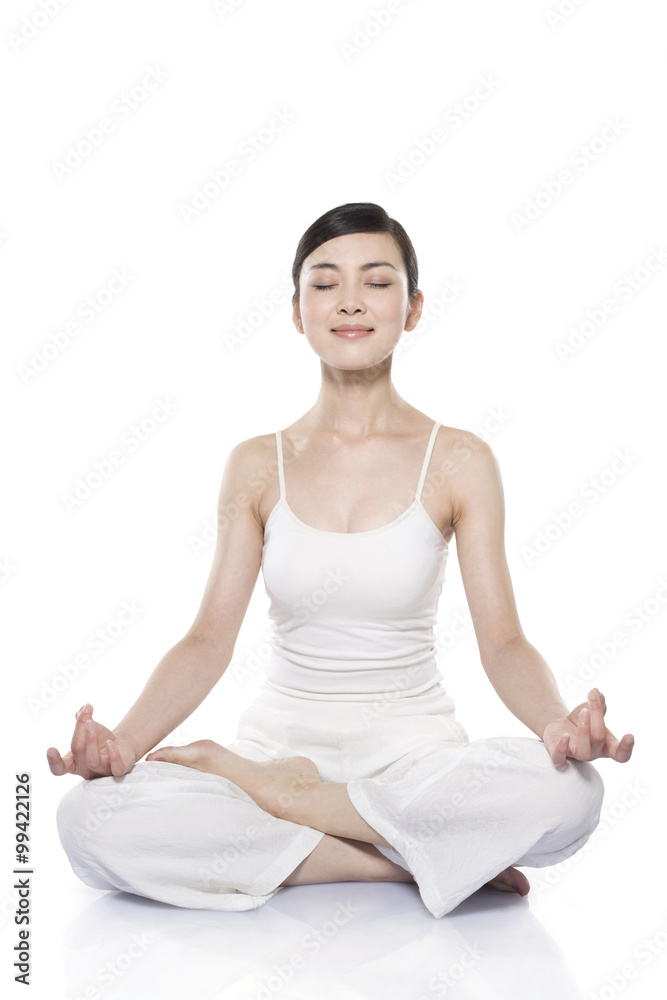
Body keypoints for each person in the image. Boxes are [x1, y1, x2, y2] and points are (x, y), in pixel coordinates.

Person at [49, 202, 634, 918]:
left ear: (412, 308)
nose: (350, 301)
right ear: (297, 311)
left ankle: (309, 812)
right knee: (87, 821)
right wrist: (122, 745)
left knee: (571, 794)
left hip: (413, 760)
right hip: (271, 751)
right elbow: (206, 641)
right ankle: (400, 859)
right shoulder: (256, 464)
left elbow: (503, 641)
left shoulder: (458, 460)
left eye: (377, 281)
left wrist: (555, 725)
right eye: (324, 282)